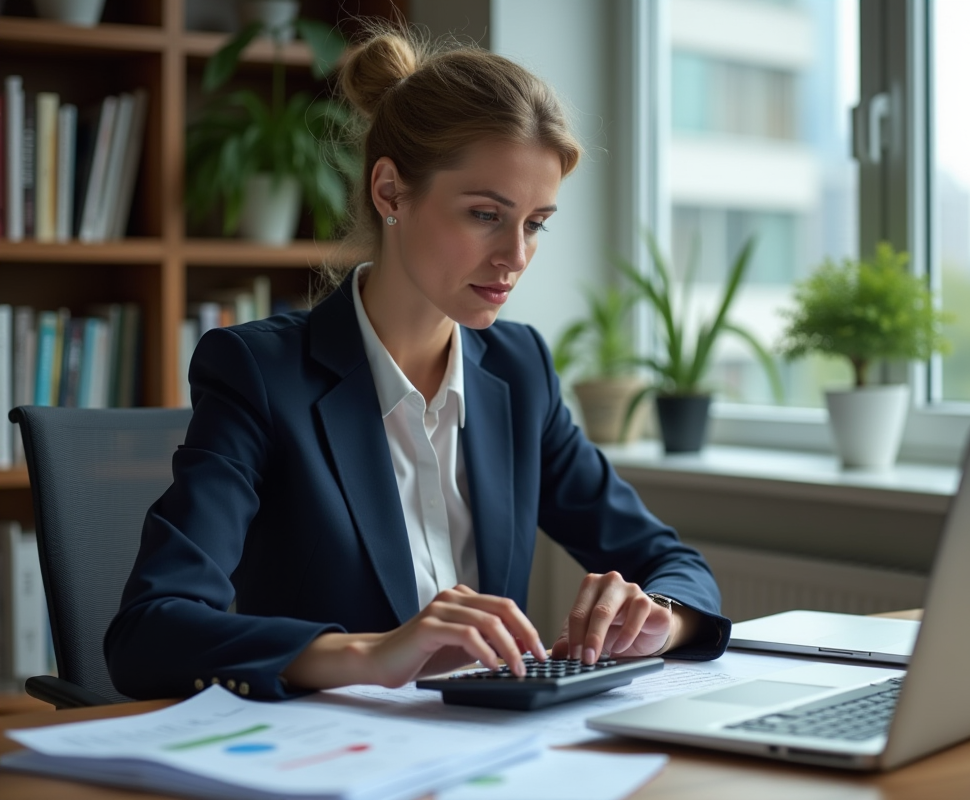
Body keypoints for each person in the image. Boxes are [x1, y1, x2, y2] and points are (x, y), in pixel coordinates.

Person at [105, 27, 730, 701]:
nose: (515, 256)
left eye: (535, 223)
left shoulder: (519, 372)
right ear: (390, 193)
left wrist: (656, 620)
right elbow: (150, 632)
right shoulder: (260, 374)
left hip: (492, 752)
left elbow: (673, 563)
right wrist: (373, 654)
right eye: (486, 214)